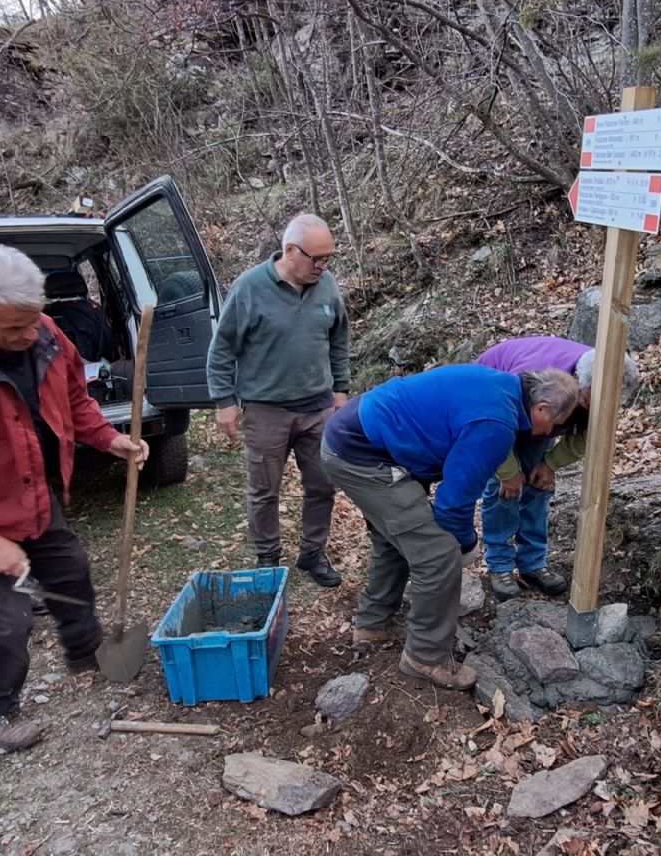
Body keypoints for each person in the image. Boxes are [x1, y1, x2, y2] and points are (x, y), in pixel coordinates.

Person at [0, 241, 149, 751]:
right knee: (7, 618)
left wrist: (109, 438)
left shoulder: (43, 331)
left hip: (35, 490)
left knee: (71, 569)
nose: (30, 334)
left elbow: (74, 399)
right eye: (14, 328)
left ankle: (86, 651)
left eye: (33, 321)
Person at [320, 364, 580, 690]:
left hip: (361, 435)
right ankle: (425, 657)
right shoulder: (496, 425)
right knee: (438, 554)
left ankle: (372, 625)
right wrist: (467, 545)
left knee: (398, 539)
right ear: (541, 408)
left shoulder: (501, 385)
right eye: (552, 424)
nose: (546, 434)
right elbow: (452, 503)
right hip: (361, 452)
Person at [206, 213, 352, 587]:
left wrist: (340, 390)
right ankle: (268, 557)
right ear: (290, 250)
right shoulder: (250, 288)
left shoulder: (328, 285)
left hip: (318, 408)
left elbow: (338, 340)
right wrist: (224, 402)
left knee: (322, 485)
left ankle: (312, 554)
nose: (323, 266)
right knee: (264, 490)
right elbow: (222, 350)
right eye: (316, 259)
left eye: (329, 258)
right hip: (266, 410)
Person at [473, 337, 642, 601]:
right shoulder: (534, 377)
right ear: (576, 381)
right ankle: (501, 565)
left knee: (538, 484)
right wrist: (507, 471)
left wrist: (550, 464)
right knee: (504, 489)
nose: (590, 410)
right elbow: (490, 427)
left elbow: (587, 436)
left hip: (541, 416)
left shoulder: (605, 387)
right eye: (587, 402)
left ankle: (533, 563)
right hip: (495, 410)